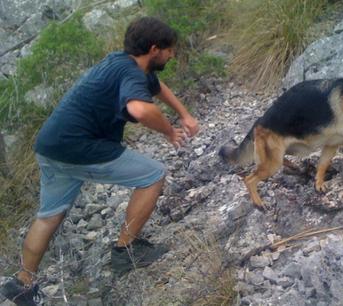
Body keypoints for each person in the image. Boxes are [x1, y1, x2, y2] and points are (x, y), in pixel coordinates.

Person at [0, 17, 199, 305]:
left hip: (50, 146)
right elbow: (140, 109)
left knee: (49, 215)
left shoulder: (122, 62)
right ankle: (125, 251)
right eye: (170, 50)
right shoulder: (131, 73)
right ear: (155, 49)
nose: (172, 55)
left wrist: (184, 113)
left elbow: (155, 86)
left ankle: (22, 282)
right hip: (80, 148)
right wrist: (170, 131)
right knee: (153, 175)